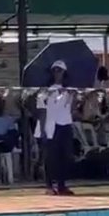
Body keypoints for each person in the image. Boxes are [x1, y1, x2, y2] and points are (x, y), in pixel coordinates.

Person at [34, 61, 75, 196]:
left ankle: (62, 185)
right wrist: (43, 129)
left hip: (65, 124)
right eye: (55, 70)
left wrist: (73, 96)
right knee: (50, 158)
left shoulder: (69, 91)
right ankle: (49, 185)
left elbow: (71, 109)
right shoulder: (45, 91)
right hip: (50, 126)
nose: (57, 73)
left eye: (60, 70)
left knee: (65, 156)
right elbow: (41, 110)